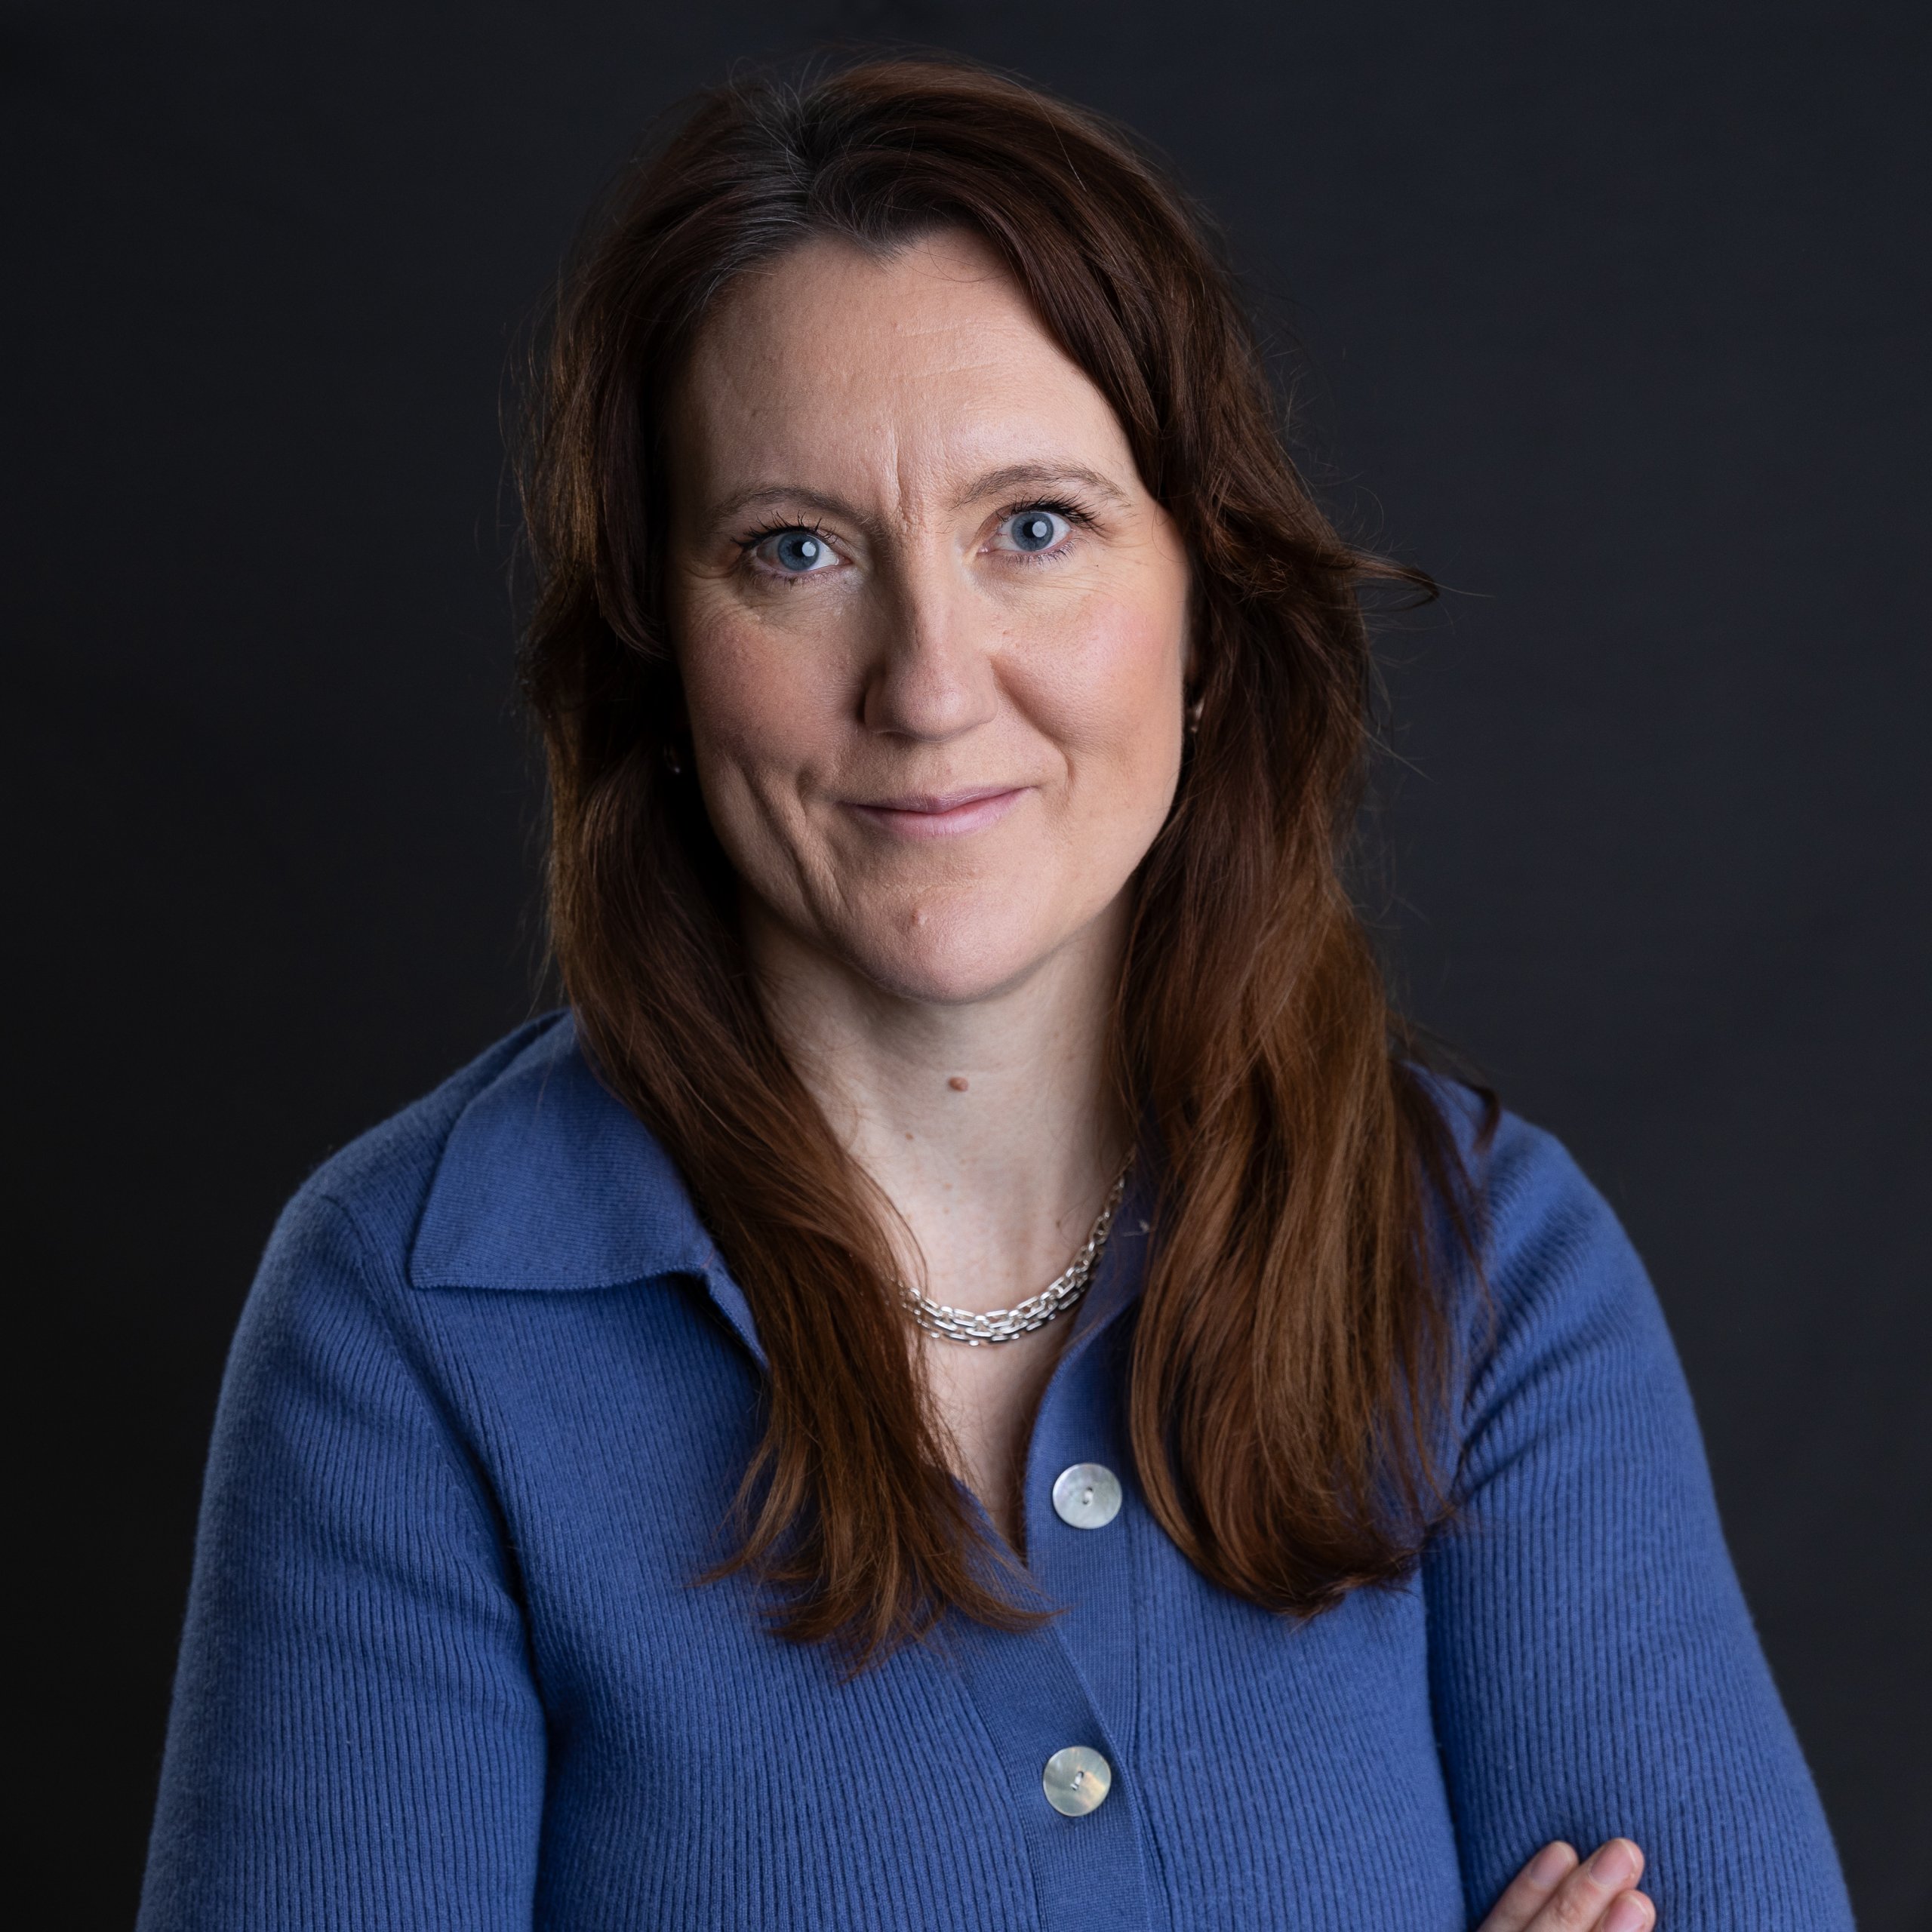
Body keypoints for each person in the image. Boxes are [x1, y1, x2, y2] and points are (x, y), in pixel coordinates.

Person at [136, 56, 1851, 1932]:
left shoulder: (1486, 1268)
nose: (928, 683)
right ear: (660, 644)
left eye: (1031, 525)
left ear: (1204, 597)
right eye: (793, 551)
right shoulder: (411, 1315)